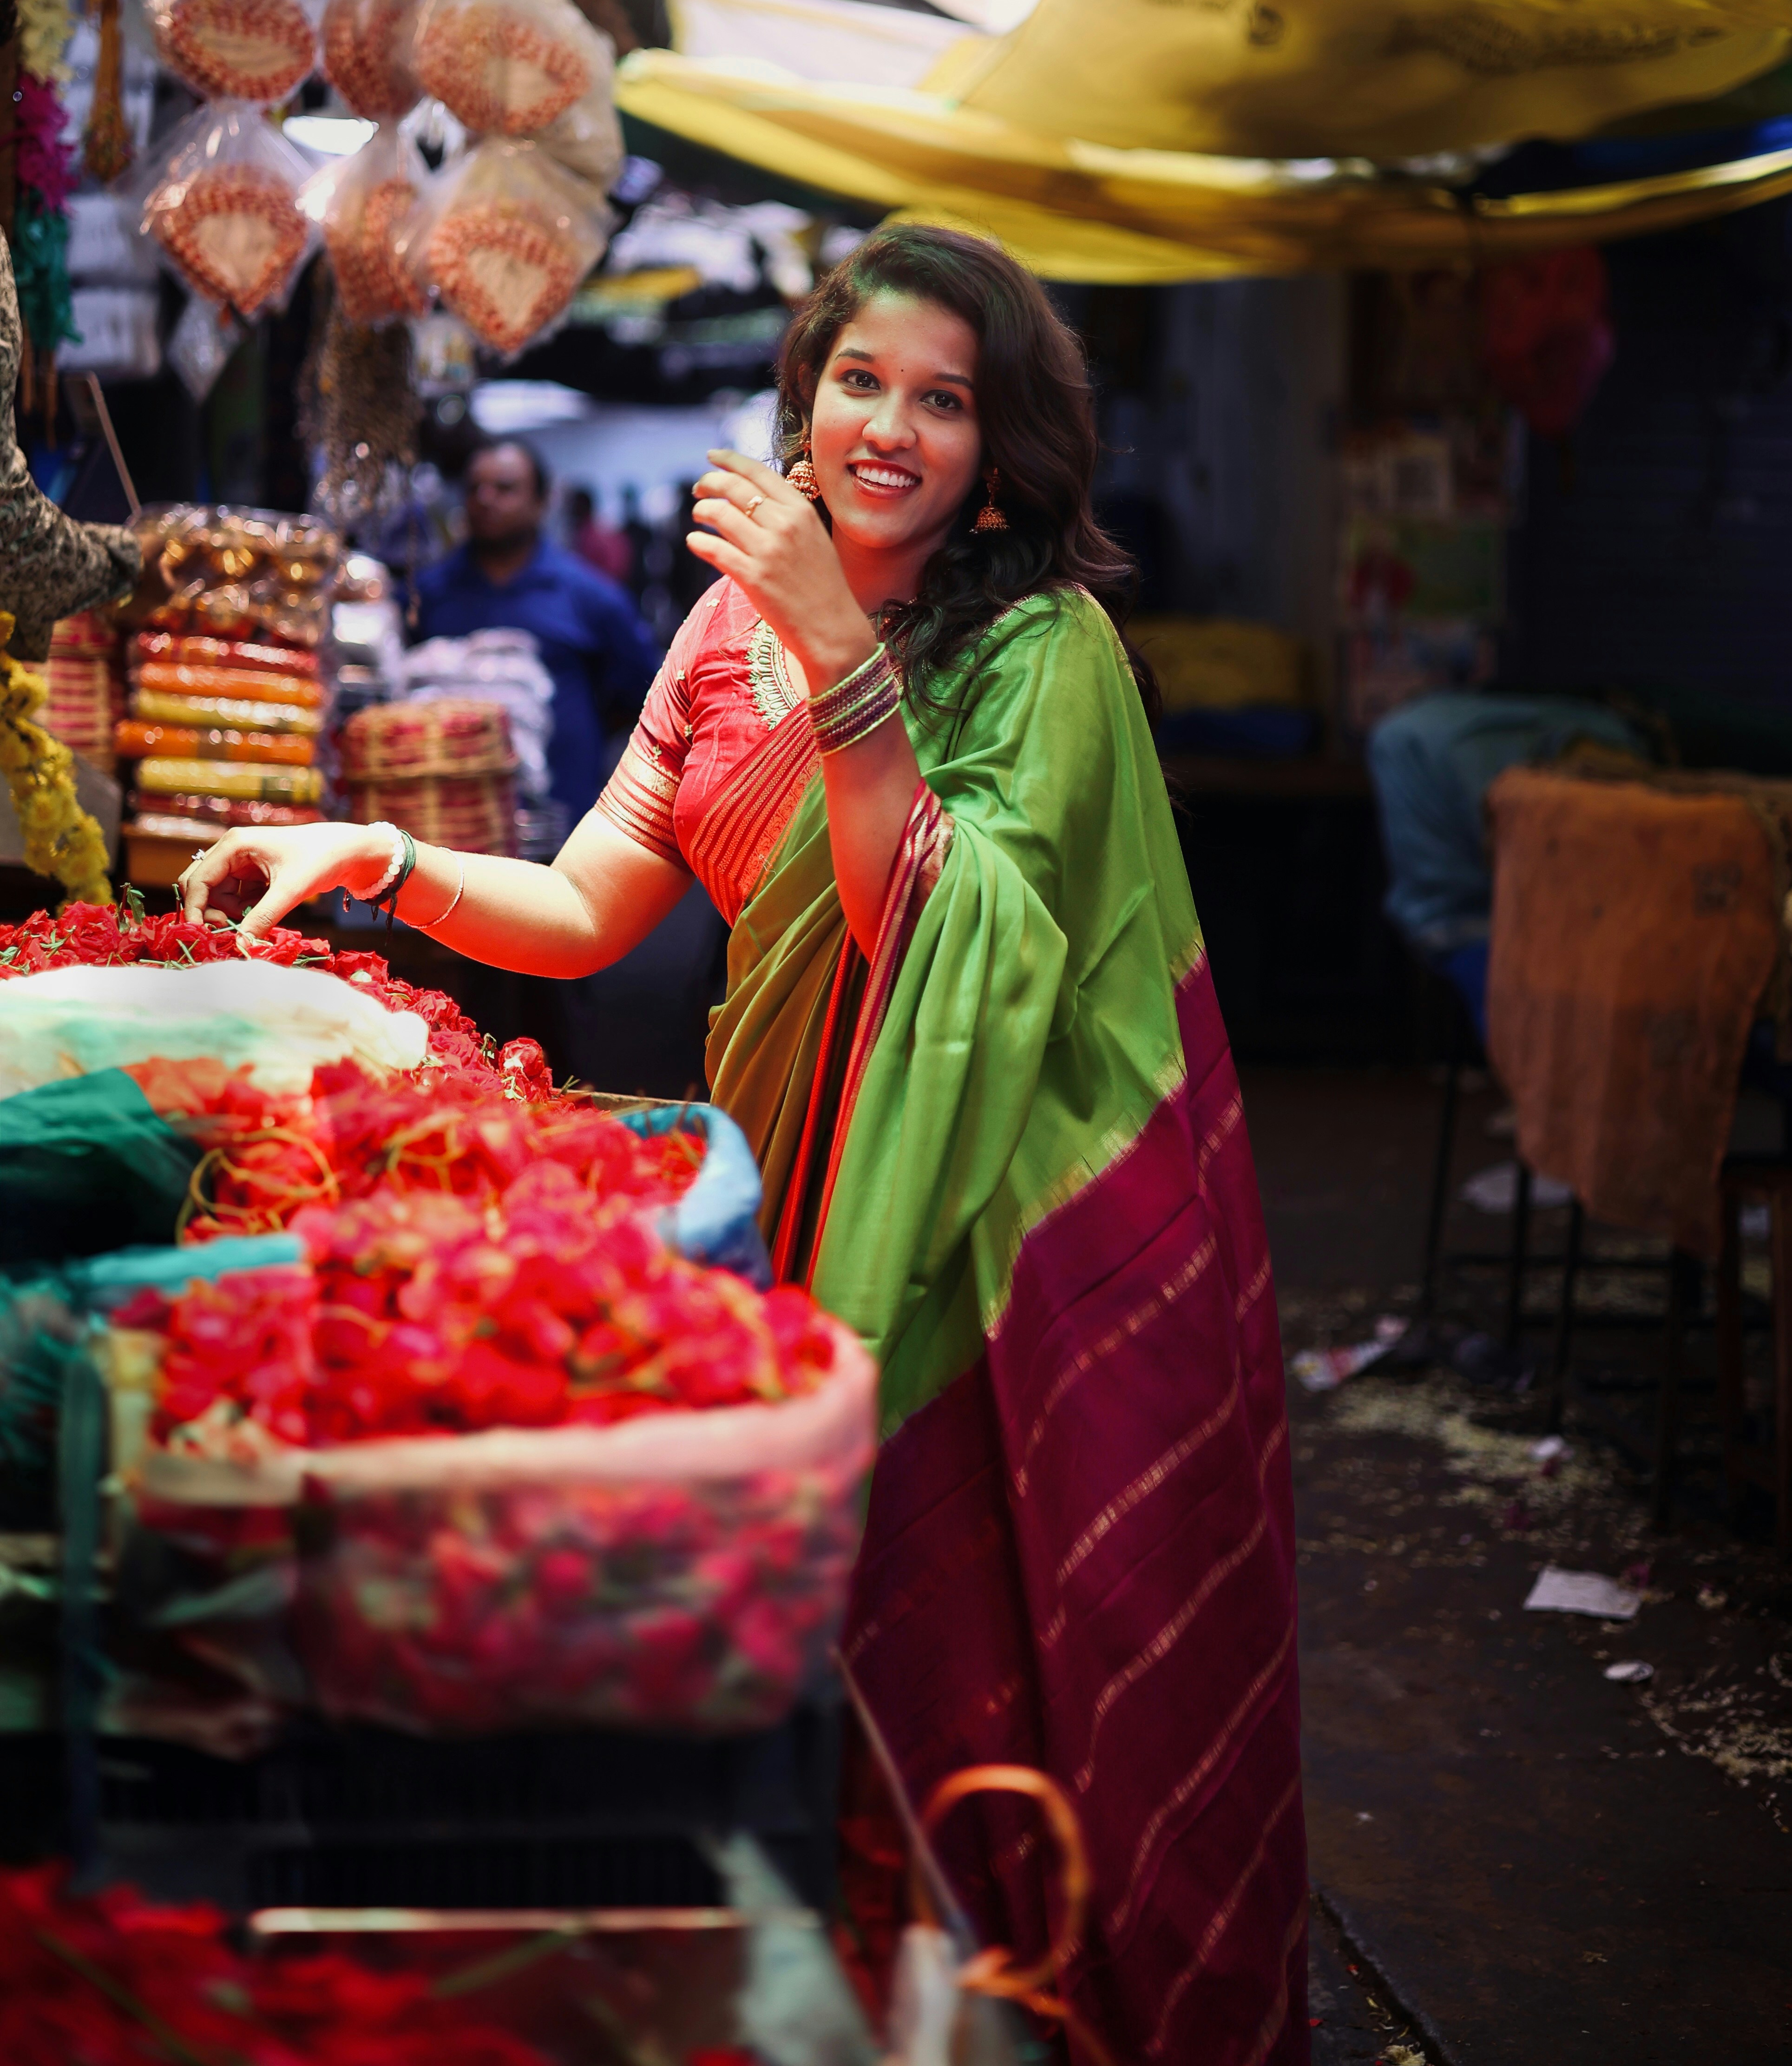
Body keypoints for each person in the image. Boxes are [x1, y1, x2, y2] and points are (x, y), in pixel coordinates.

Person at [179, 230, 1306, 2066]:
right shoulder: (716, 630)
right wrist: (372, 862)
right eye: (862, 381)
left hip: (1003, 1252)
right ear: (804, 398)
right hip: (796, 1212)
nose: (891, 427)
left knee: (1007, 1692)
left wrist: (842, 652)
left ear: (1000, 454)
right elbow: (578, 900)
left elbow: (929, 934)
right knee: (819, 1698)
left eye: (945, 400)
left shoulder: (1046, 651)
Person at [416, 439, 659, 821]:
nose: (486, 500)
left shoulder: (589, 596)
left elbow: (647, 696)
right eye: (475, 489)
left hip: (561, 819)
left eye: (505, 489)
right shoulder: (428, 594)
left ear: (542, 502)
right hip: (445, 819)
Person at [564, 481, 633, 586]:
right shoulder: (590, 532)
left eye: (573, 505)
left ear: (582, 506)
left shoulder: (592, 536)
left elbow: (615, 567)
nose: (570, 510)